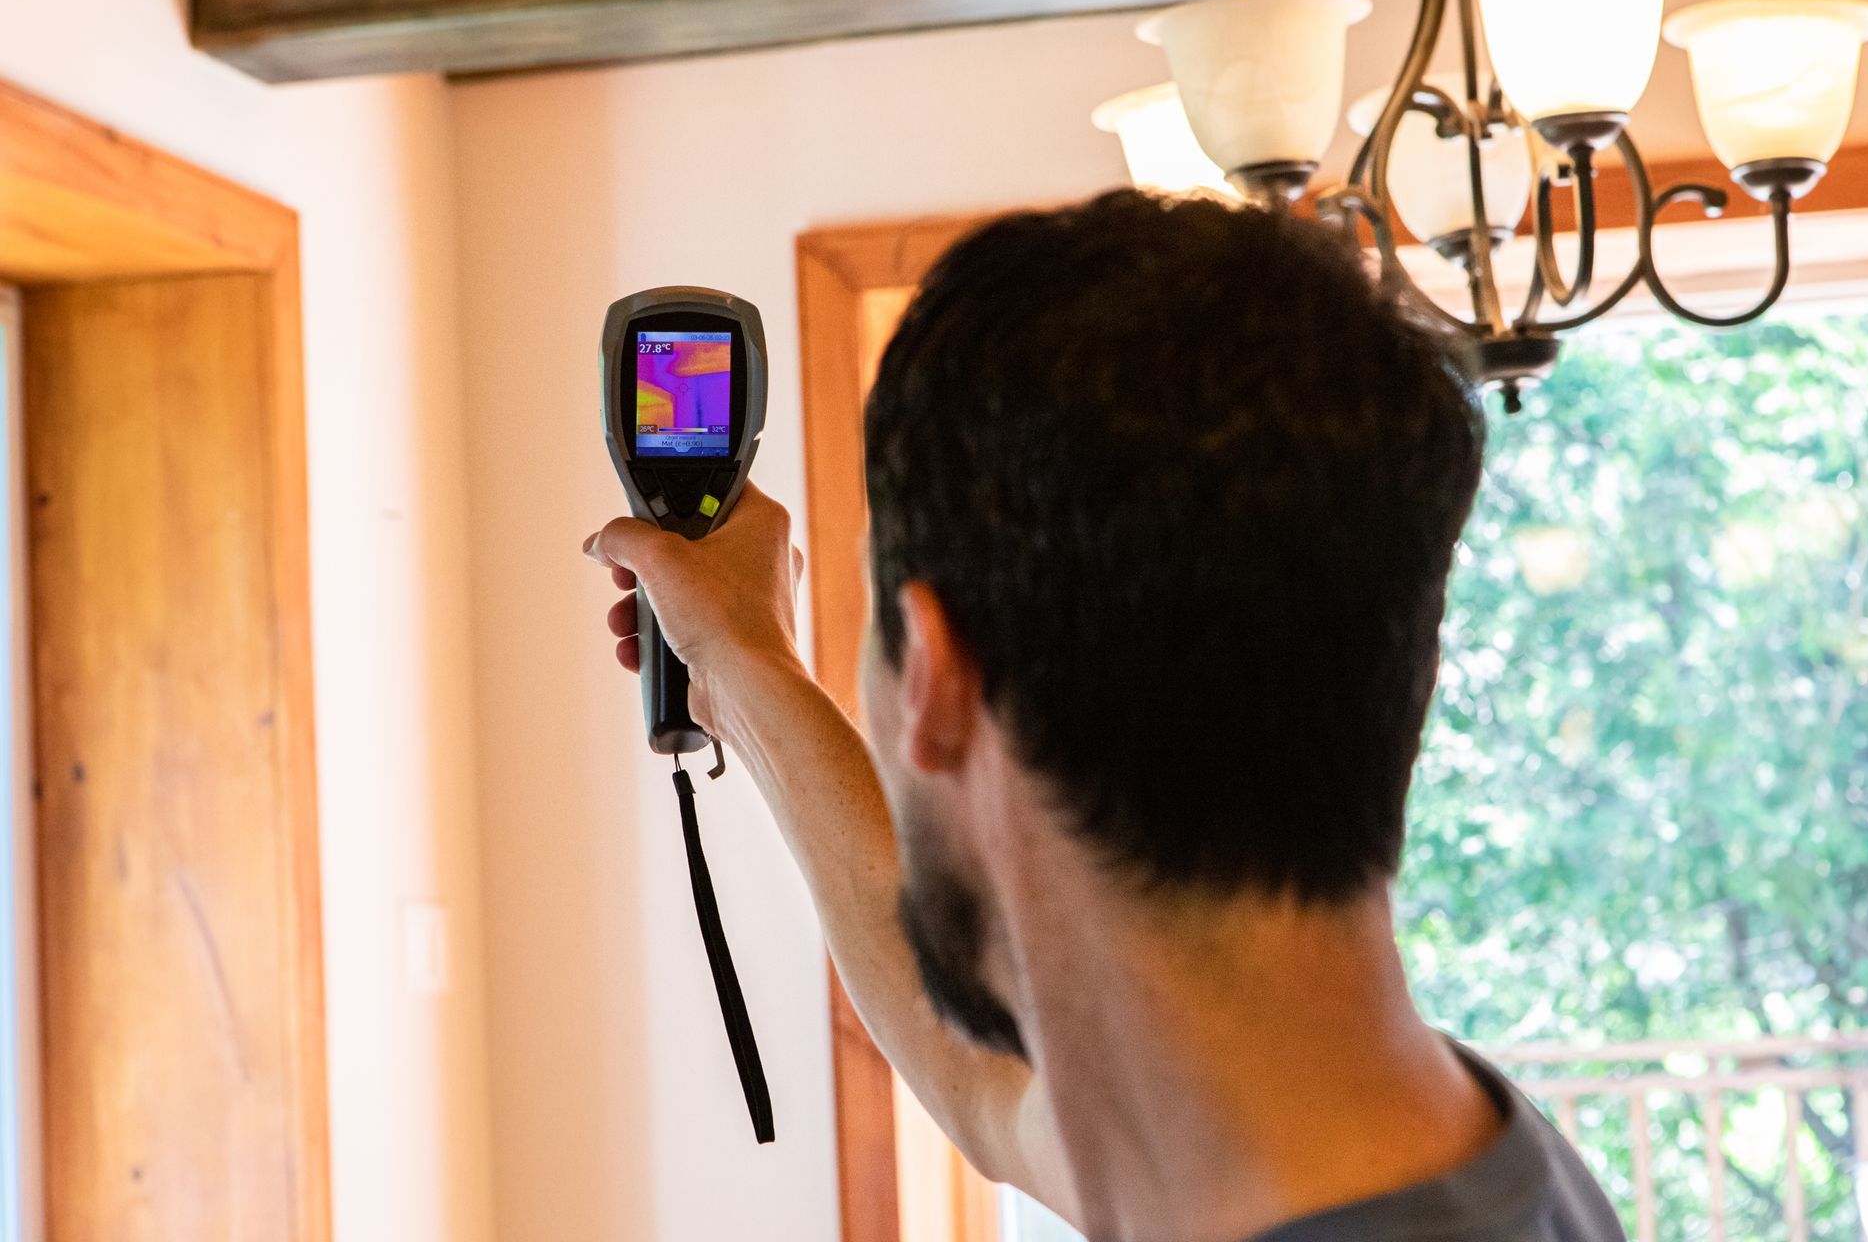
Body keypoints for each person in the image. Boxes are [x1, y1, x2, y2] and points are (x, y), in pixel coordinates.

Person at [584, 191, 1626, 1242]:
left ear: (935, 675)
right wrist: (749, 670)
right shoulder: (1475, 1150)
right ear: (1406, 666)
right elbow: (989, 1091)